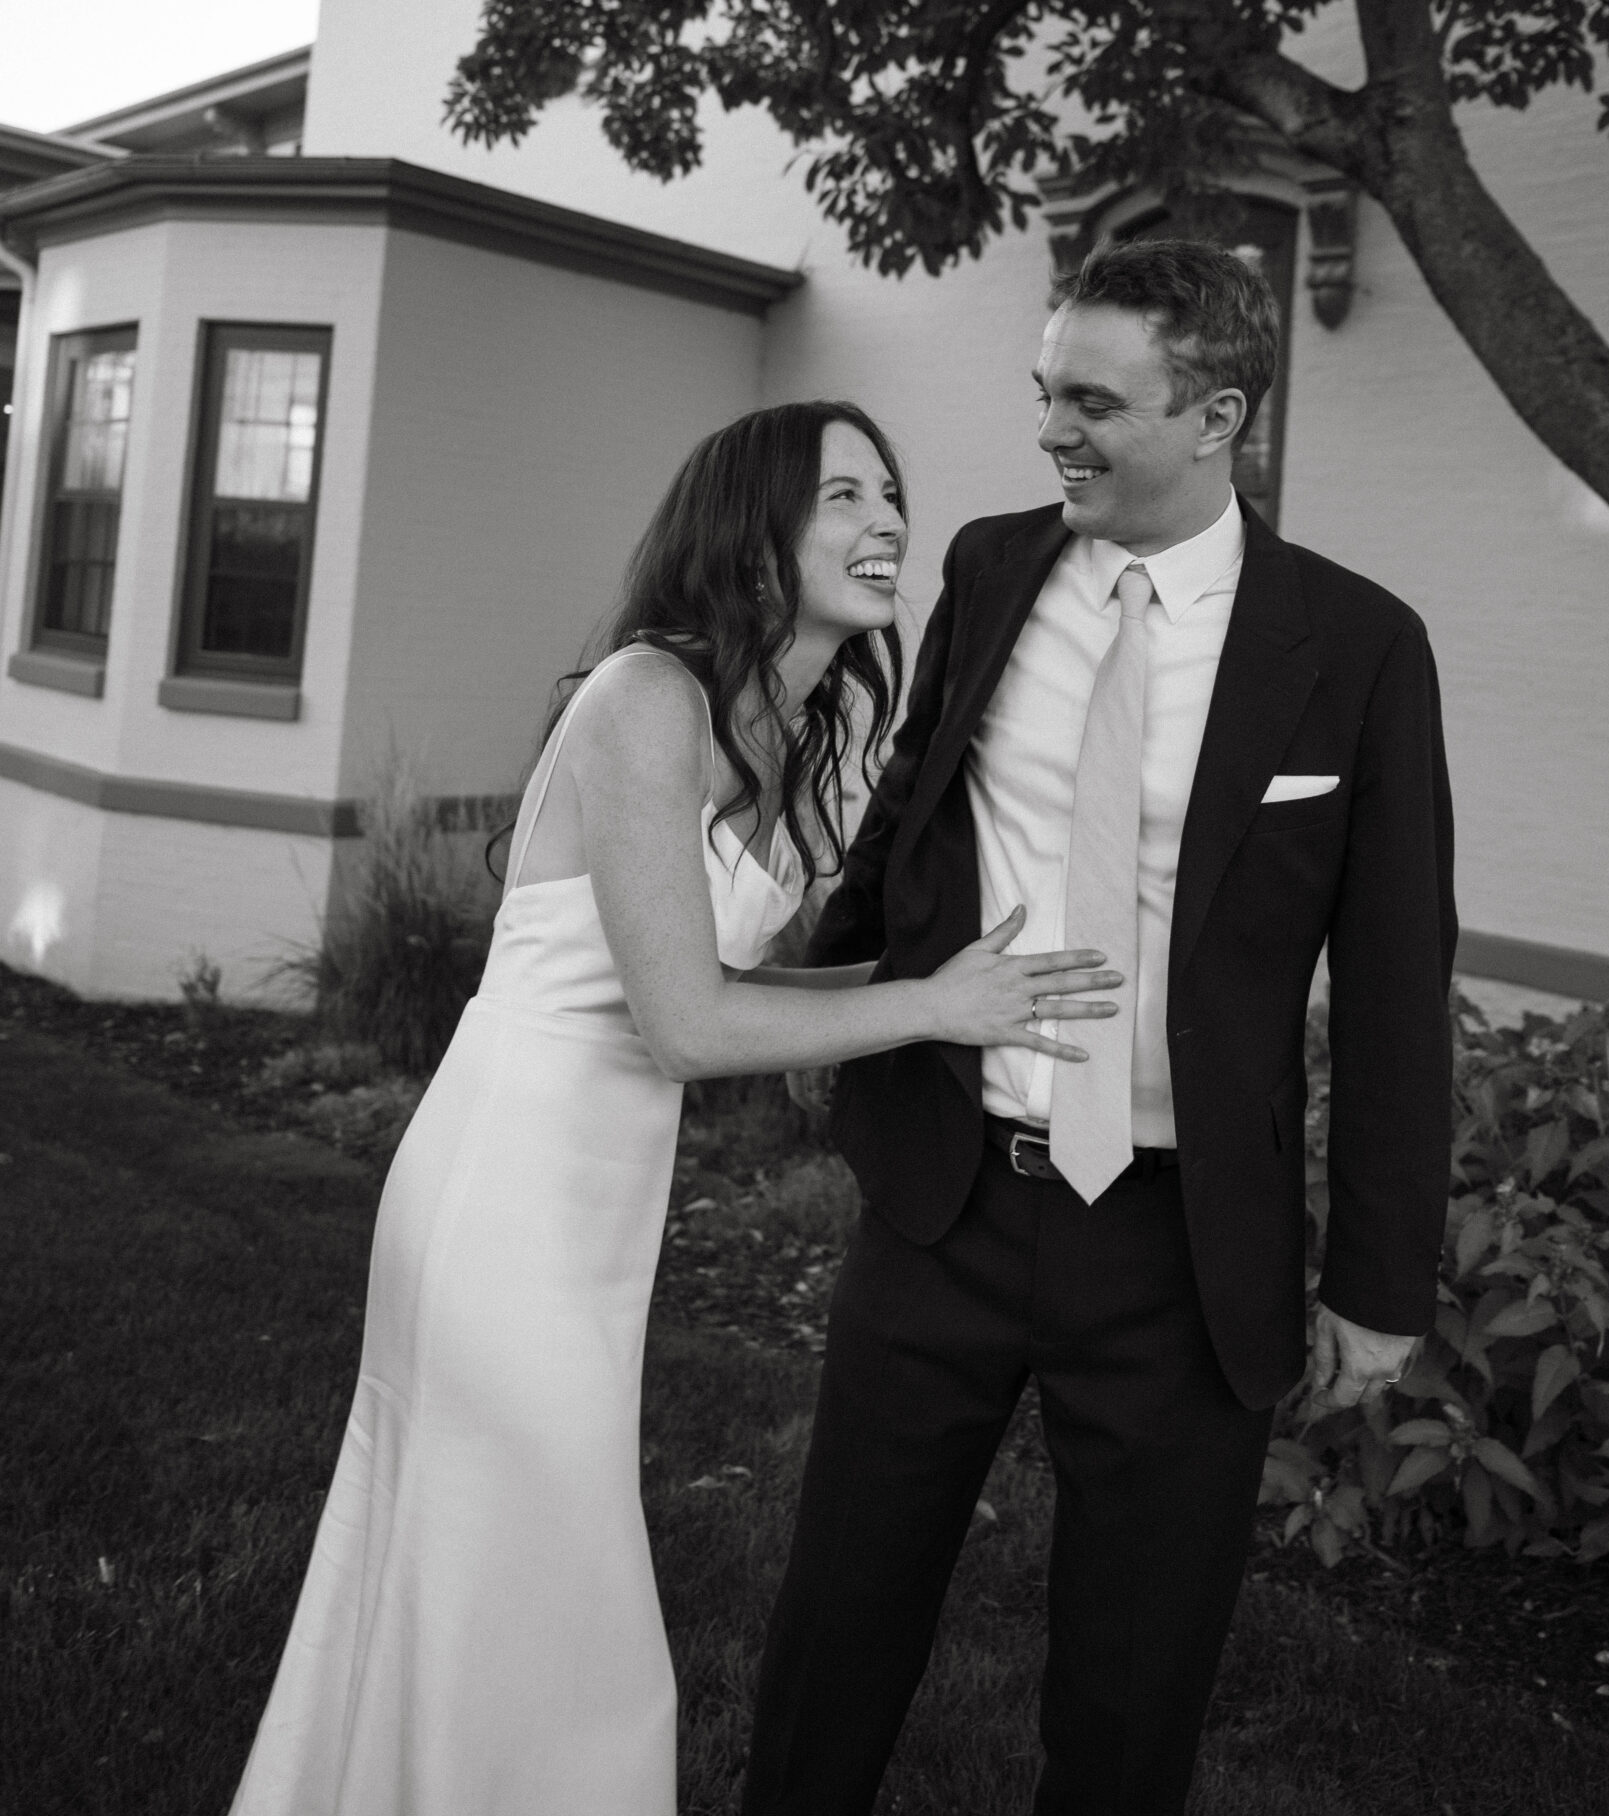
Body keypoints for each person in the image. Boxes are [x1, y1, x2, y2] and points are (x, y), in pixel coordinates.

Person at [227, 400, 1120, 1816]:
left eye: (891, 494)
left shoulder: (808, 730)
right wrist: (942, 1004)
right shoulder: (648, 698)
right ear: (753, 532)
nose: (887, 521)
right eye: (844, 496)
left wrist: (954, 971)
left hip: (601, 1201)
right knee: (540, 1574)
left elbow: (793, 982)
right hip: (506, 1191)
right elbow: (692, 1019)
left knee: (499, 1566)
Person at [741, 242, 1457, 1816]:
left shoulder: (1358, 645)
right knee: (837, 1623)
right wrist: (791, 997)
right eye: (1043, 392)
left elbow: (1401, 974)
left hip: (1182, 1250)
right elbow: (910, 827)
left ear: (1218, 416)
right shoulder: (991, 573)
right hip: (944, 1205)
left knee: (1135, 1690)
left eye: (1091, 401)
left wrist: (1381, 1280)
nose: (1051, 430)